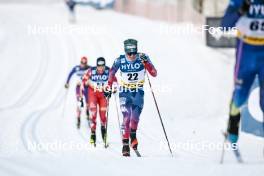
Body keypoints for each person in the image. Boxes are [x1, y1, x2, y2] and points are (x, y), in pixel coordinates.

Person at [221, 0, 264, 146]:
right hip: (246, 53)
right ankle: (233, 126)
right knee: (239, 97)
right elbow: (225, 25)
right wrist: (240, 11)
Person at [106, 39, 157, 156]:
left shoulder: (143, 57)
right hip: (124, 91)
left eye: (134, 52)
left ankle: (133, 135)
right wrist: (108, 87)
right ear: (125, 52)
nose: (132, 55)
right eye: (129, 53)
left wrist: (147, 64)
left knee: (135, 117)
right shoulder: (120, 60)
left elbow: (154, 73)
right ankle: (125, 144)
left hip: (138, 91)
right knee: (126, 116)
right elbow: (111, 73)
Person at [82, 57, 117, 147]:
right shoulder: (91, 71)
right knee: (93, 113)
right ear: (96, 66)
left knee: (103, 115)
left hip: (103, 95)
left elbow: (115, 81)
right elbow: (84, 79)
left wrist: (114, 89)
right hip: (93, 94)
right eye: (99, 66)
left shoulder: (109, 71)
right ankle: (93, 134)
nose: (101, 68)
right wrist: (87, 83)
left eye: (102, 66)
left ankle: (103, 132)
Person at [65, 56, 90, 129]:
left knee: (88, 102)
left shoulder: (89, 68)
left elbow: (95, 73)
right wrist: (67, 83)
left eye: (85, 63)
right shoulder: (76, 68)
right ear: (80, 62)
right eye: (82, 62)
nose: (83, 64)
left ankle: (88, 114)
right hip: (79, 87)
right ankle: (78, 118)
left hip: (86, 87)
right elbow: (70, 74)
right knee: (79, 102)